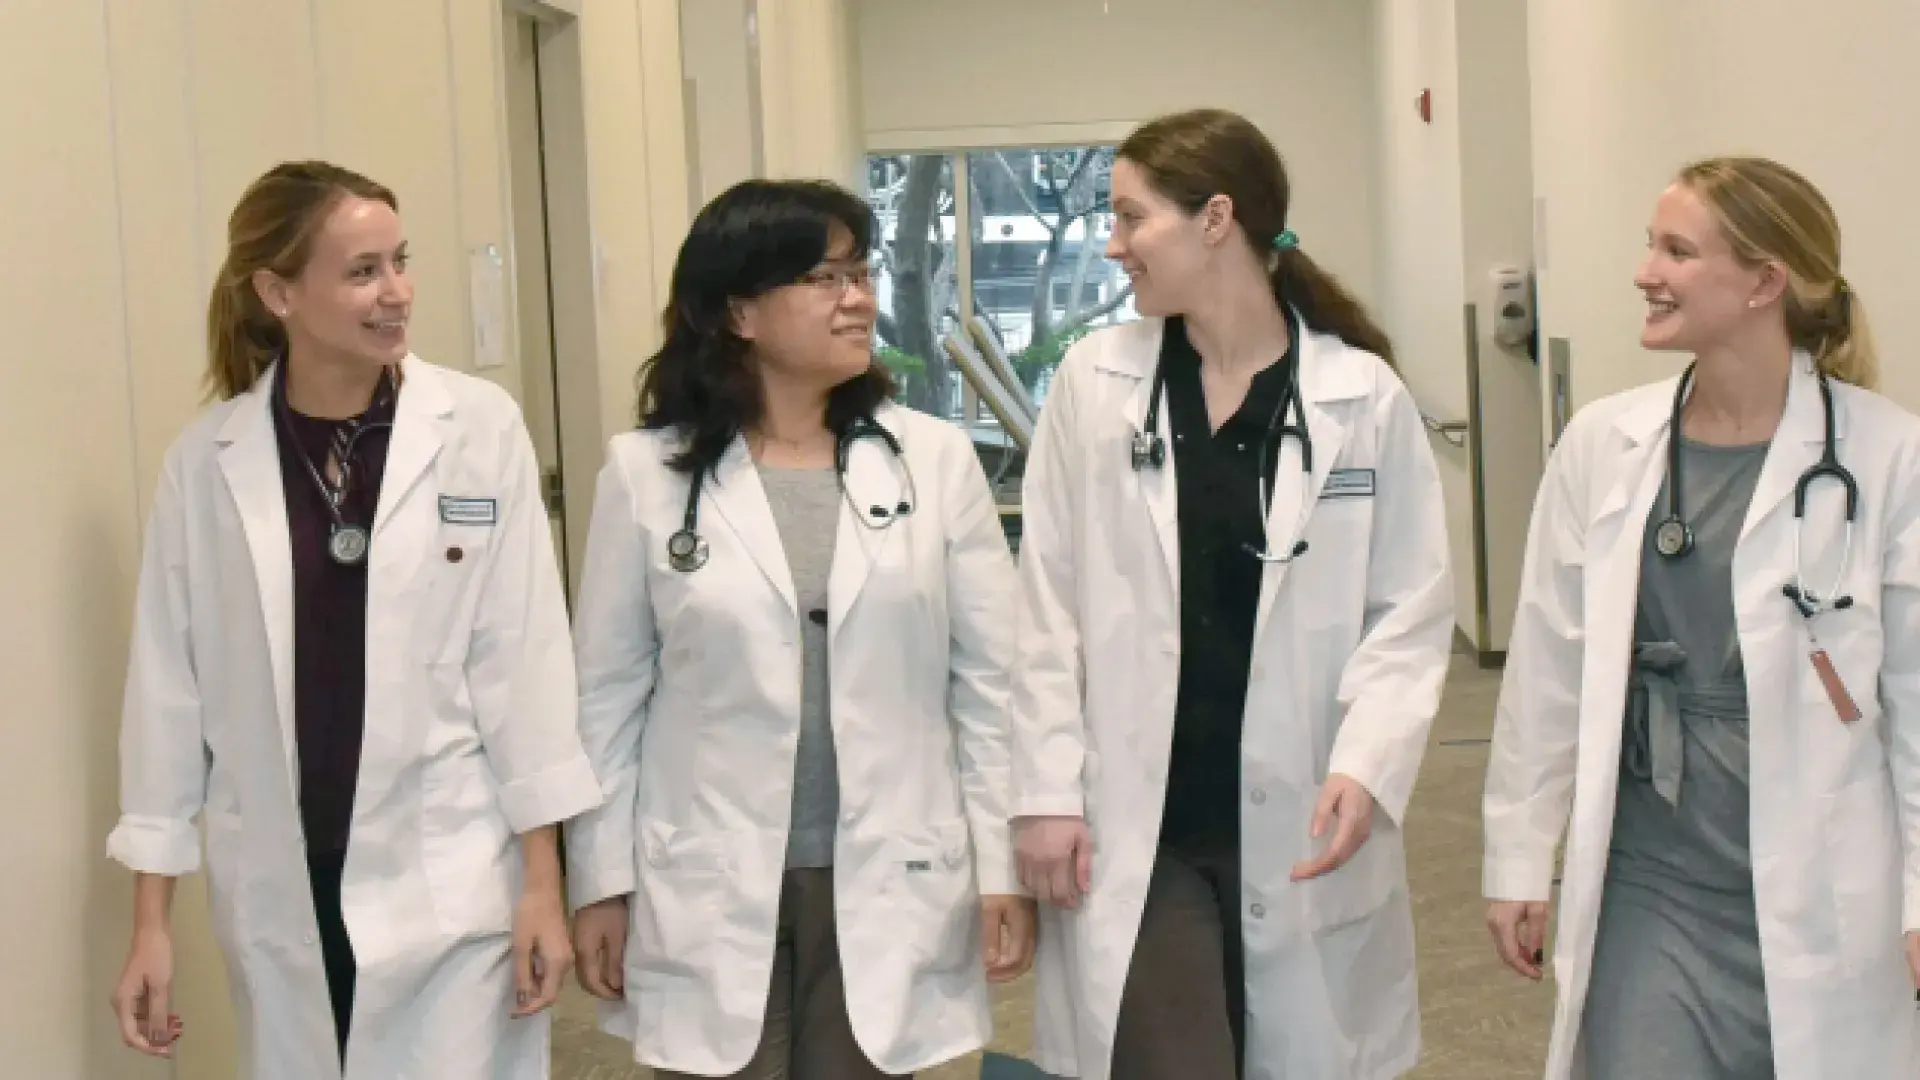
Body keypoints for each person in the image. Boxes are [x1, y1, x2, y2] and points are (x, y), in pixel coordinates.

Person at [105, 161, 600, 1078]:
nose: (397, 291)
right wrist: (151, 923)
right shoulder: (207, 463)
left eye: (400, 262)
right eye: (363, 271)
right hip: (283, 875)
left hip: (450, 865)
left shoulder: (477, 428)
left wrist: (544, 880)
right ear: (277, 292)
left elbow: (522, 663)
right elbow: (168, 692)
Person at [1009, 108, 1455, 1080]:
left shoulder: (1360, 396)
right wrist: (1041, 792)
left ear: (1215, 220)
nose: (1114, 243)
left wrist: (1369, 761)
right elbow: (1046, 606)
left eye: (1132, 217)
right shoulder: (1095, 383)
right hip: (1140, 819)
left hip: (1301, 808)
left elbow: (1409, 612)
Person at [563, 178, 1034, 1079]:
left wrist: (999, 865)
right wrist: (600, 881)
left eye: (861, 272)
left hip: (892, 866)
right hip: (705, 871)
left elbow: (990, 687)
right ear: (739, 312)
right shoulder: (644, 475)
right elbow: (606, 701)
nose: (858, 299)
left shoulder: (932, 461)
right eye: (826, 278)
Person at [1483, 156, 1920, 1079]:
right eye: (1652, 246)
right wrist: (1519, 855)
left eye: (1677, 252)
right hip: (1653, 879)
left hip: (1826, 887)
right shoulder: (1604, 444)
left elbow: (1917, 699)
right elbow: (1549, 666)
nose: (1645, 272)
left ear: (1765, 282)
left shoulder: (1888, 456)